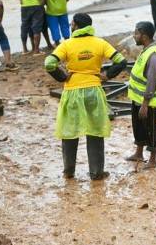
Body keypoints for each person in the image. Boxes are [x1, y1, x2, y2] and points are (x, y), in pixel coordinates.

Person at [44, 13, 127, 180]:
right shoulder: (100, 43)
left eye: (71, 23)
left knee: (69, 132)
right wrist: (107, 75)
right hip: (93, 91)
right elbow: (121, 61)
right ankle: (96, 172)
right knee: (95, 131)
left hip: (72, 91)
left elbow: (49, 63)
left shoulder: (67, 44)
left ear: (75, 25)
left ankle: (69, 171)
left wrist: (62, 76)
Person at [126, 22, 156, 170]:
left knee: (150, 128)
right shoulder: (146, 50)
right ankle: (139, 153)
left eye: (136, 33)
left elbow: (152, 81)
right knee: (138, 126)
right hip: (137, 98)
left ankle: (153, 159)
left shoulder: (154, 55)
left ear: (145, 36)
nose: (134, 36)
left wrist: (145, 104)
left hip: (147, 101)